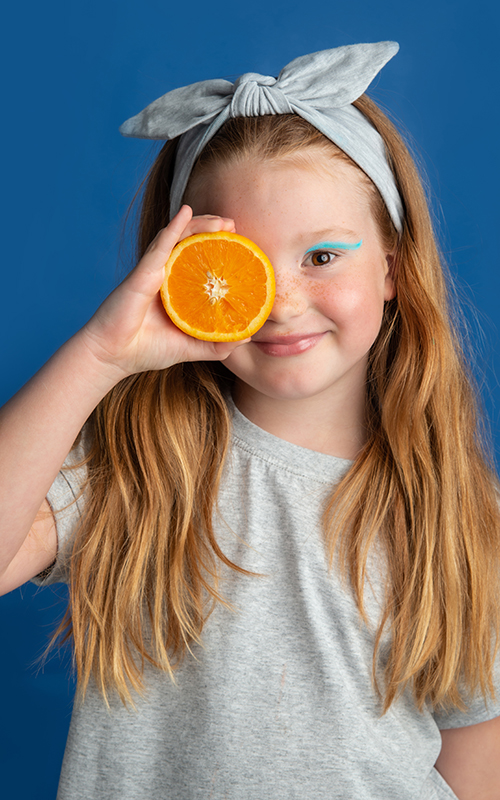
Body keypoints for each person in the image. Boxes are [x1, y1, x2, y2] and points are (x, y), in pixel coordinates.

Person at [1, 42, 499, 800]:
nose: (281, 301)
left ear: (393, 268)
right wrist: (100, 355)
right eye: (237, 265)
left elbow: (475, 751)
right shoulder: (138, 468)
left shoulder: (461, 516)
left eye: (323, 257)